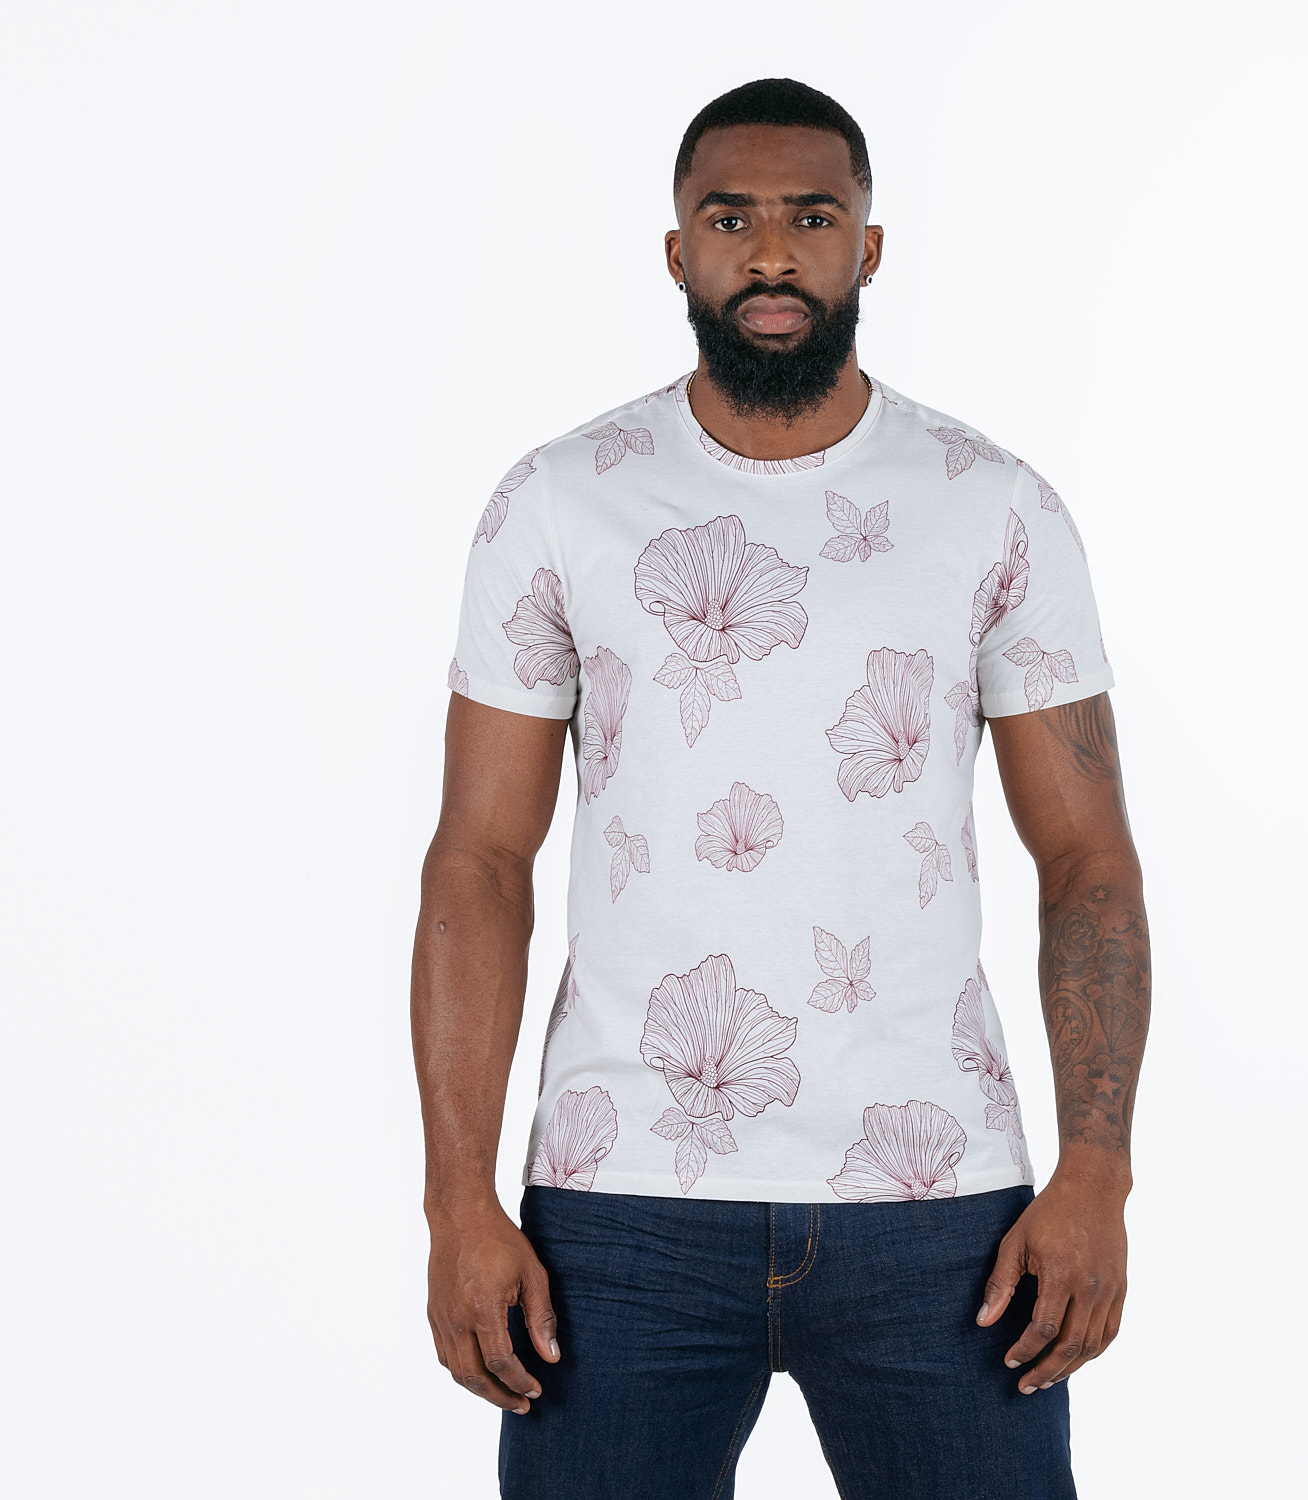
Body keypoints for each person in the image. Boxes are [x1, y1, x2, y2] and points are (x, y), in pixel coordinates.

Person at [411, 76, 1151, 1500]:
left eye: (812, 219)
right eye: (729, 218)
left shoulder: (993, 504)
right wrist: (457, 1200)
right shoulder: (559, 500)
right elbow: (478, 861)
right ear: (676, 250)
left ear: (869, 247)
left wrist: (1097, 1176)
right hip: (622, 1205)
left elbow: (1089, 863)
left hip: (940, 1210)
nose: (769, 253)